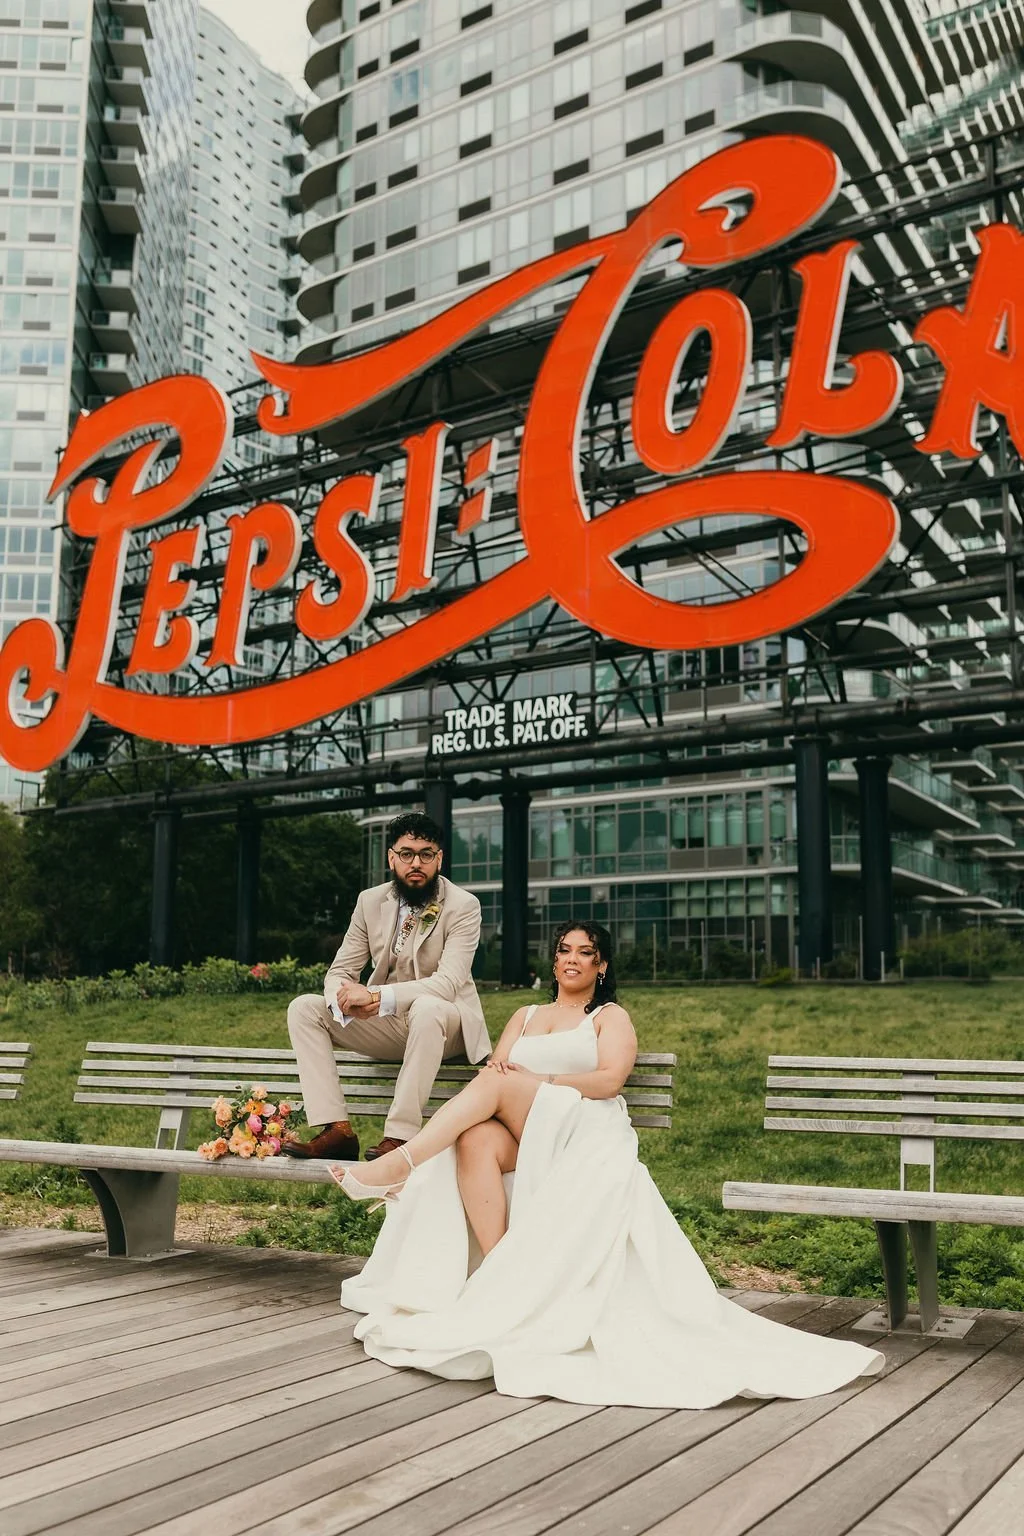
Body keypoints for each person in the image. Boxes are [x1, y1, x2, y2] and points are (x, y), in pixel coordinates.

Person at [333, 921, 885, 1409]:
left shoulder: (608, 1016)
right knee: (476, 1137)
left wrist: (539, 1082)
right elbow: (497, 1070)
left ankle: (402, 1161)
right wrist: (515, 1083)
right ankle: (504, 1272)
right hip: (527, 1127)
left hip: (580, 1123)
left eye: (585, 952)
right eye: (564, 950)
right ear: (554, 961)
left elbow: (609, 1081)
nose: (572, 959)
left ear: (601, 966)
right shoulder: (525, 1015)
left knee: (496, 1088)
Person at [284, 811, 491, 1162]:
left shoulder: (463, 906)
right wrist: (345, 998)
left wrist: (377, 996)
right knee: (303, 1008)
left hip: (447, 1025)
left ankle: (399, 1137)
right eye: (407, 853)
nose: (416, 863)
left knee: (428, 1008)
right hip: (390, 1025)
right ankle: (337, 1131)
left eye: (426, 854)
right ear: (391, 858)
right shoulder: (370, 901)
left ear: (439, 858)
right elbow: (340, 970)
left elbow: (447, 984)